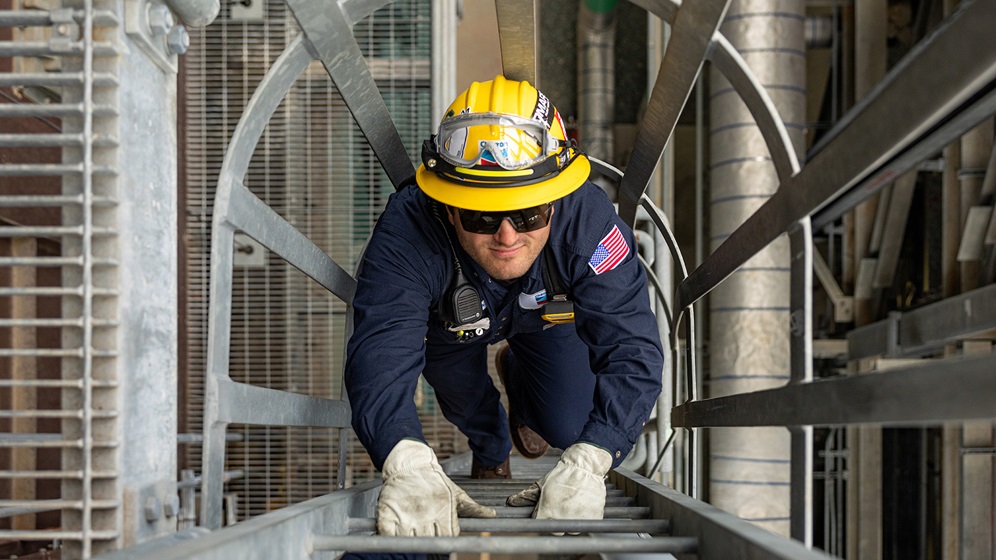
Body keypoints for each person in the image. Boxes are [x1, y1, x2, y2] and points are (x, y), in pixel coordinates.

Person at [344, 75, 664, 536]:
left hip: (546, 323)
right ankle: (493, 452)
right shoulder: (409, 228)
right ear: (449, 207)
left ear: (554, 201)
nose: (507, 237)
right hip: (448, 327)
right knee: (464, 398)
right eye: (481, 216)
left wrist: (594, 457)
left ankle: (518, 371)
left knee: (574, 426)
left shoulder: (588, 224)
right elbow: (381, 349)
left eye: (529, 214)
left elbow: (632, 346)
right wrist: (403, 455)